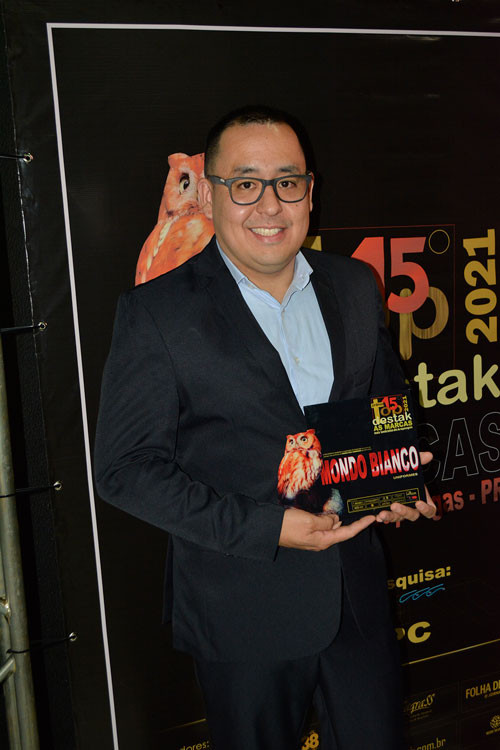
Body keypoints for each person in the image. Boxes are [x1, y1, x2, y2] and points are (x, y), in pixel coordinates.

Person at [94, 106, 436, 750]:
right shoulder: (157, 314)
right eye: (246, 183)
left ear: (311, 191)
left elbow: (385, 405)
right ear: (212, 195)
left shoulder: (354, 284)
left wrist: (395, 478)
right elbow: (125, 471)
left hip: (357, 598)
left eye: (288, 182)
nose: (270, 205)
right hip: (241, 608)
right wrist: (269, 528)